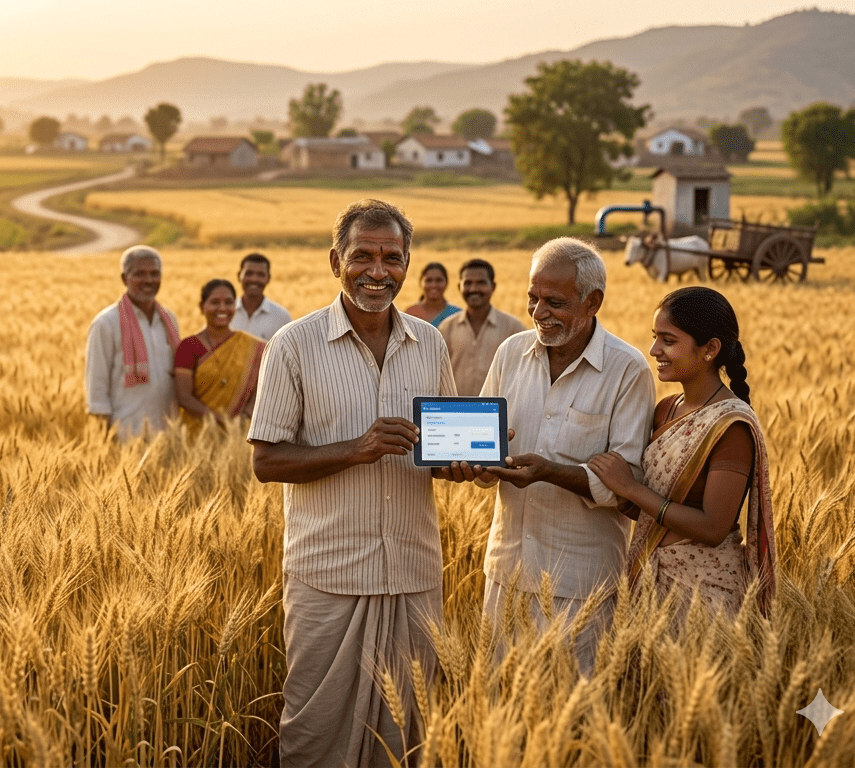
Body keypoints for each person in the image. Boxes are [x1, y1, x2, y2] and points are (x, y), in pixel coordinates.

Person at [249, 199, 458, 767]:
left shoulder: (430, 343)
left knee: (407, 735)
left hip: (413, 571)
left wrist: (470, 465)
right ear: (335, 260)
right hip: (328, 575)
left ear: (407, 263)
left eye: (392, 258)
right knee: (315, 734)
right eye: (362, 255)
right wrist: (356, 449)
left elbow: (440, 449)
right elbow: (266, 461)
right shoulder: (293, 345)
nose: (377, 271)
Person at [439, 237, 655, 674]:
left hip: (582, 582)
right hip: (506, 571)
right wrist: (473, 466)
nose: (538, 313)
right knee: (501, 698)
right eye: (532, 298)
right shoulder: (510, 353)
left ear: (593, 302)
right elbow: (486, 445)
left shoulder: (627, 370)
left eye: (554, 303)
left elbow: (628, 484)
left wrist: (549, 472)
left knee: (576, 703)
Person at [587, 287, 775, 620]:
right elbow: (653, 508)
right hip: (649, 581)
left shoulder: (730, 426)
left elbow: (713, 528)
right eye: (654, 337)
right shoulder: (665, 410)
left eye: (668, 341)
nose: (654, 350)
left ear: (710, 349)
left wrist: (630, 488)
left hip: (703, 594)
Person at [84, 245, 180, 439]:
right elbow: (96, 389)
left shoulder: (169, 320)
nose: (149, 280)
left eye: (154, 274)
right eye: (139, 274)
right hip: (126, 434)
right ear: (124, 278)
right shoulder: (106, 323)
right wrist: (105, 439)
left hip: (167, 435)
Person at [174, 279, 267, 427]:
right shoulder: (188, 347)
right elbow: (184, 397)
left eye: (229, 302)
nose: (222, 308)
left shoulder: (253, 347)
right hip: (198, 432)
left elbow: (262, 386)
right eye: (215, 302)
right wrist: (218, 420)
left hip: (240, 430)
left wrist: (246, 415)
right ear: (202, 307)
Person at [439, 258, 527, 396]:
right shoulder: (447, 327)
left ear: (493, 287)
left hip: (498, 408)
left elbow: (525, 373)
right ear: (459, 286)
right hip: (456, 407)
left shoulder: (513, 328)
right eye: (468, 283)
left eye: (481, 283)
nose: (474, 289)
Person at [230, 252, 292, 340]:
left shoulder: (281, 317)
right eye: (249, 273)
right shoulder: (225, 311)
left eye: (260, 275)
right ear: (239, 276)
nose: (254, 279)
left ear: (268, 278)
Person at [403, 262, 460, 326]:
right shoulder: (410, 314)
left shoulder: (456, 314)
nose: (434, 285)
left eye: (439, 280)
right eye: (429, 280)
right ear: (420, 283)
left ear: (446, 283)